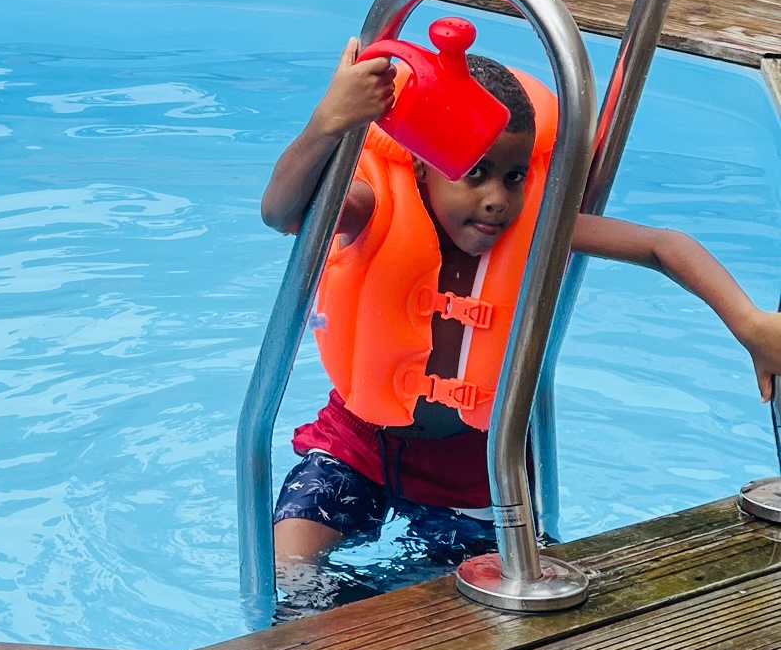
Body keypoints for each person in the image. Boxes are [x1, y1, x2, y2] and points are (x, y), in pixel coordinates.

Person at [261, 37, 781, 575]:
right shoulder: (374, 209)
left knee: (465, 613)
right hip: (358, 444)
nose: (497, 199)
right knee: (291, 573)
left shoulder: (533, 227)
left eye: (514, 177)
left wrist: (748, 323)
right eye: (475, 172)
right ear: (422, 165)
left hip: (474, 466)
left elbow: (661, 245)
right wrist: (327, 123)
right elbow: (282, 212)